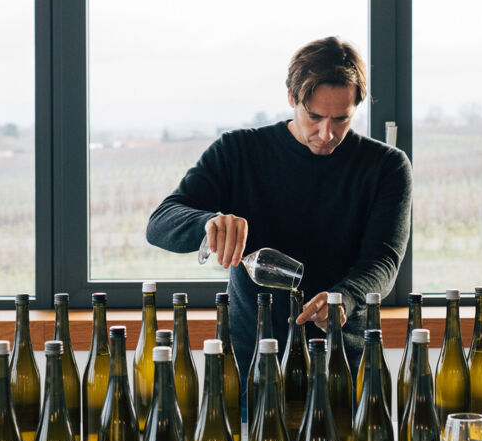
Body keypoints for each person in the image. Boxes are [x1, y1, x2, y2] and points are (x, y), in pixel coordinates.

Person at [146, 36, 412, 414]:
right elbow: (160, 222)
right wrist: (208, 224)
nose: (327, 134)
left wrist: (343, 299)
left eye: (341, 119)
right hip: (252, 368)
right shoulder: (239, 152)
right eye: (315, 117)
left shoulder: (386, 166)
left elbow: (383, 260)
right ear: (291, 97)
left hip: (343, 368)